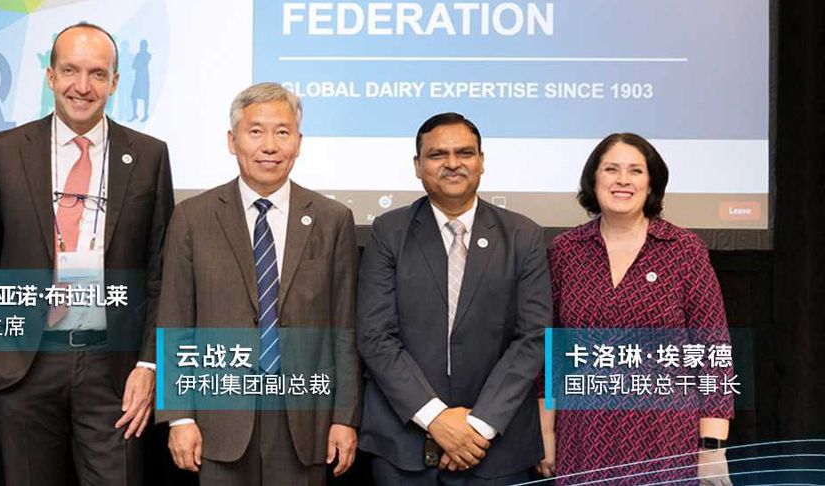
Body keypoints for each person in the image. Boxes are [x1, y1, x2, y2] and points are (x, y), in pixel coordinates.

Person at [0, 22, 173, 486]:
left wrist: (148, 363)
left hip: (113, 369)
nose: (83, 86)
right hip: (23, 364)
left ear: (115, 82)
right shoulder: (4, 151)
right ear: (50, 76)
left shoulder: (150, 156)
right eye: (71, 70)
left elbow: (160, 272)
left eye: (98, 74)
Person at [156, 82, 361, 485]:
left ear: (298, 142)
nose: (269, 146)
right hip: (219, 418)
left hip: (305, 418)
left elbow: (344, 329)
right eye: (255, 132)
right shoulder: (192, 218)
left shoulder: (332, 219)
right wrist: (179, 416)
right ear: (232, 141)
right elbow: (175, 321)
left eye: (282, 132)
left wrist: (344, 417)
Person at [357, 112, 551, 484]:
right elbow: (375, 335)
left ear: (481, 161)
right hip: (405, 447)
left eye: (464, 153)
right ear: (418, 165)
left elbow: (533, 338)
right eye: (437, 155)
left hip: (497, 446)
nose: (452, 163)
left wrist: (478, 425)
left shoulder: (522, 234)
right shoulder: (389, 231)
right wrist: (436, 418)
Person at [537, 133, 734, 485]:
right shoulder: (566, 250)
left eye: (635, 171)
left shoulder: (683, 249)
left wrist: (712, 447)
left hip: (666, 436)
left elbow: (713, 349)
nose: (623, 180)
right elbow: (551, 351)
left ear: (651, 182)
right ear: (593, 179)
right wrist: (546, 435)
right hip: (584, 435)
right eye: (611, 169)